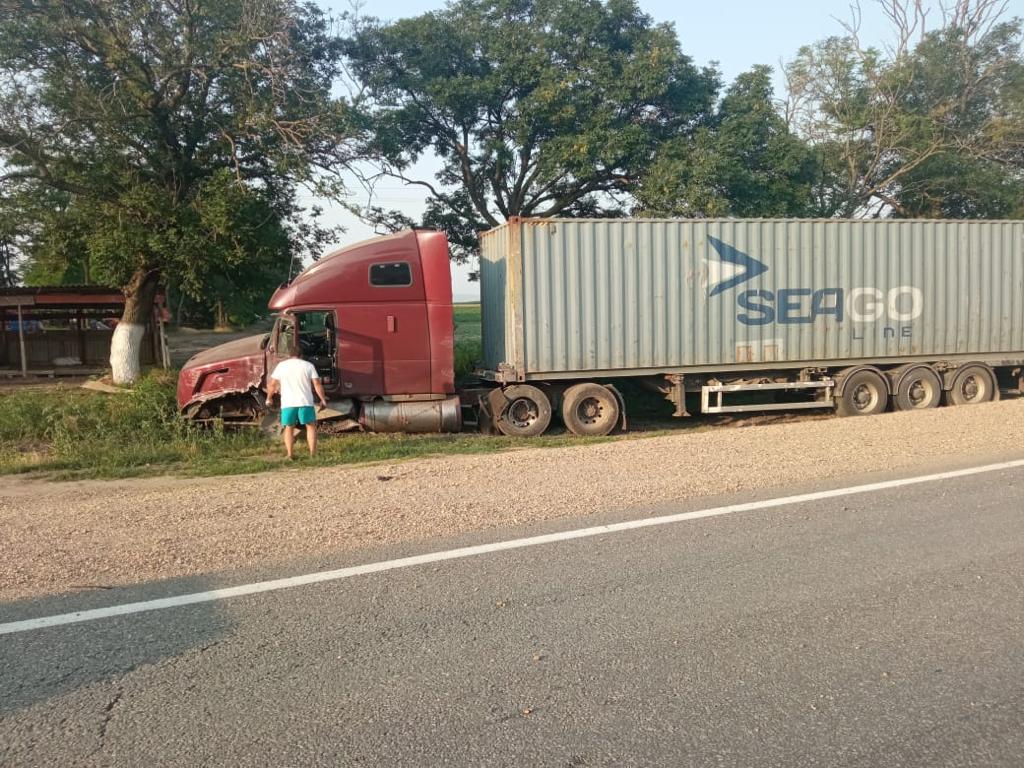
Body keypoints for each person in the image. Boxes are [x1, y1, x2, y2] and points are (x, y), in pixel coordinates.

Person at [266, 347, 328, 460]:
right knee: (310, 426)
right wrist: (323, 399)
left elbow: (272, 384)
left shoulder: (281, 366)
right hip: (305, 402)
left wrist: (269, 398)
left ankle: (290, 455)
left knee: (289, 427)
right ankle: (313, 455)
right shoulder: (308, 365)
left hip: (288, 403)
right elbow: (317, 384)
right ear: (301, 355)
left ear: (289, 355)